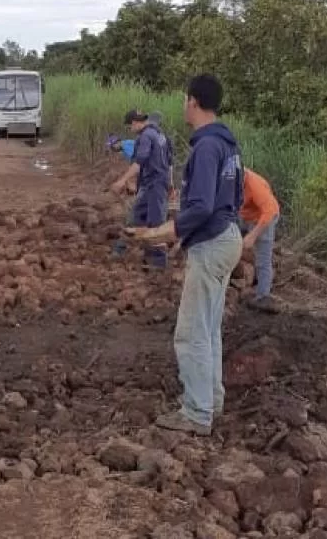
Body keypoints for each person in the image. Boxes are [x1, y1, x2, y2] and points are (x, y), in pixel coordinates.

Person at [126, 74, 243, 436]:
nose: (182, 106)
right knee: (208, 329)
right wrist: (183, 237)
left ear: (192, 101)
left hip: (213, 242)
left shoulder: (207, 147)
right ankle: (212, 399)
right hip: (226, 237)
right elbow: (233, 199)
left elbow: (202, 206)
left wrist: (163, 231)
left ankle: (196, 413)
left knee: (191, 331)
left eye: (184, 100)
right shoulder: (227, 143)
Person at [111, 109, 172, 228]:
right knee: (136, 218)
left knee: (155, 224)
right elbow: (169, 161)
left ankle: (156, 246)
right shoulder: (160, 134)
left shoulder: (145, 136)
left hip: (155, 185)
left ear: (134, 123)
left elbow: (139, 162)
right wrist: (170, 182)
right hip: (153, 183)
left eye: (129, 127)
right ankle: (124, 245)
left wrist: (122, 181)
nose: (130, 131)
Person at [240, 168, 281, 313]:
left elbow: (269, 211)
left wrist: (252, 235)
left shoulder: (254, 185)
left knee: (262, 259)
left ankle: (263, 296)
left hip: (264, 218)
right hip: (245, 215)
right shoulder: (227, 176)